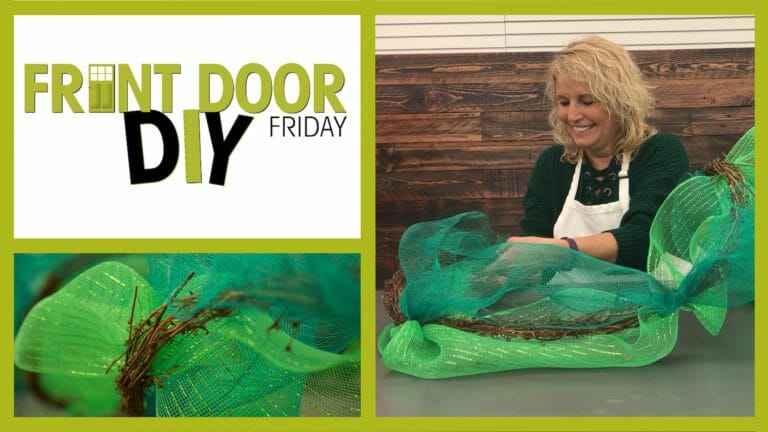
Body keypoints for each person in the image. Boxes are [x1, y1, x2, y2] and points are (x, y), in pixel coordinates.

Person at [507, 36, 689, 271]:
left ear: (619, 100)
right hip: (567, 304)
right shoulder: (552, 164)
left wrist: (561, 251)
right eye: (563, 102)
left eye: (587, 101)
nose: (572, 116)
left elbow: (647, 238)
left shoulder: (659, 152)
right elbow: (536, 248)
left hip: (646, 304)